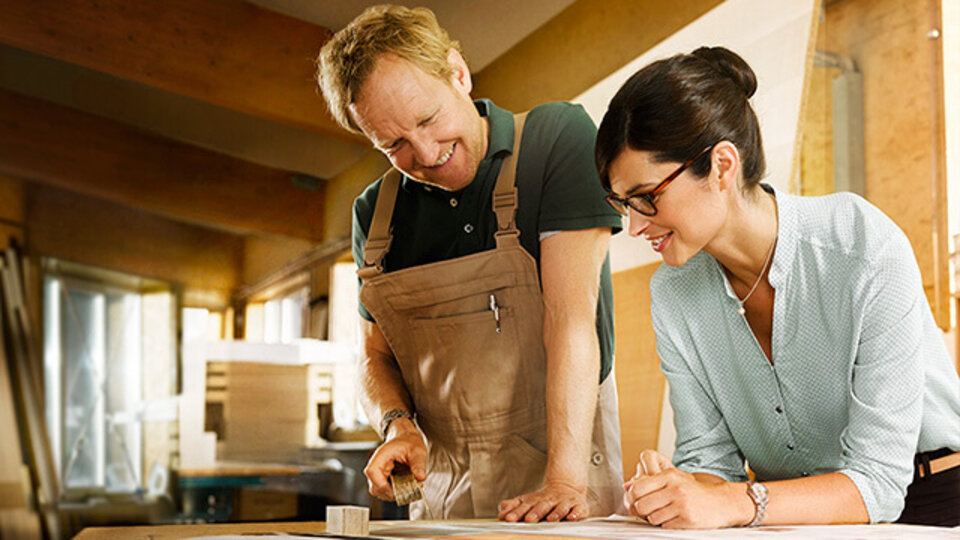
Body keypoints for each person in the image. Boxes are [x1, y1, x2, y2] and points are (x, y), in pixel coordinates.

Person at [594, 46, 960, 528]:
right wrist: (675, 490)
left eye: (645, 197)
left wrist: (732, 502)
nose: (635, 227)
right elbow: (710, 462)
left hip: (934, 502)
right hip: (790, 517)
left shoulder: (860, 244)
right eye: (623, 204)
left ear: (722, 166)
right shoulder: (673, 294)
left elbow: (878, 485)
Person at [316, 5, 624, 521]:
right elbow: (374, 356)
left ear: (458, 74)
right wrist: (396, 425)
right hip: (439, 486)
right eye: (394, 144)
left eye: (428, 119)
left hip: (563, 465)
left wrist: (564, 483)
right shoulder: (374, 214)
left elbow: (571, 321)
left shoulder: (553, 140)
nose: (425, 154)